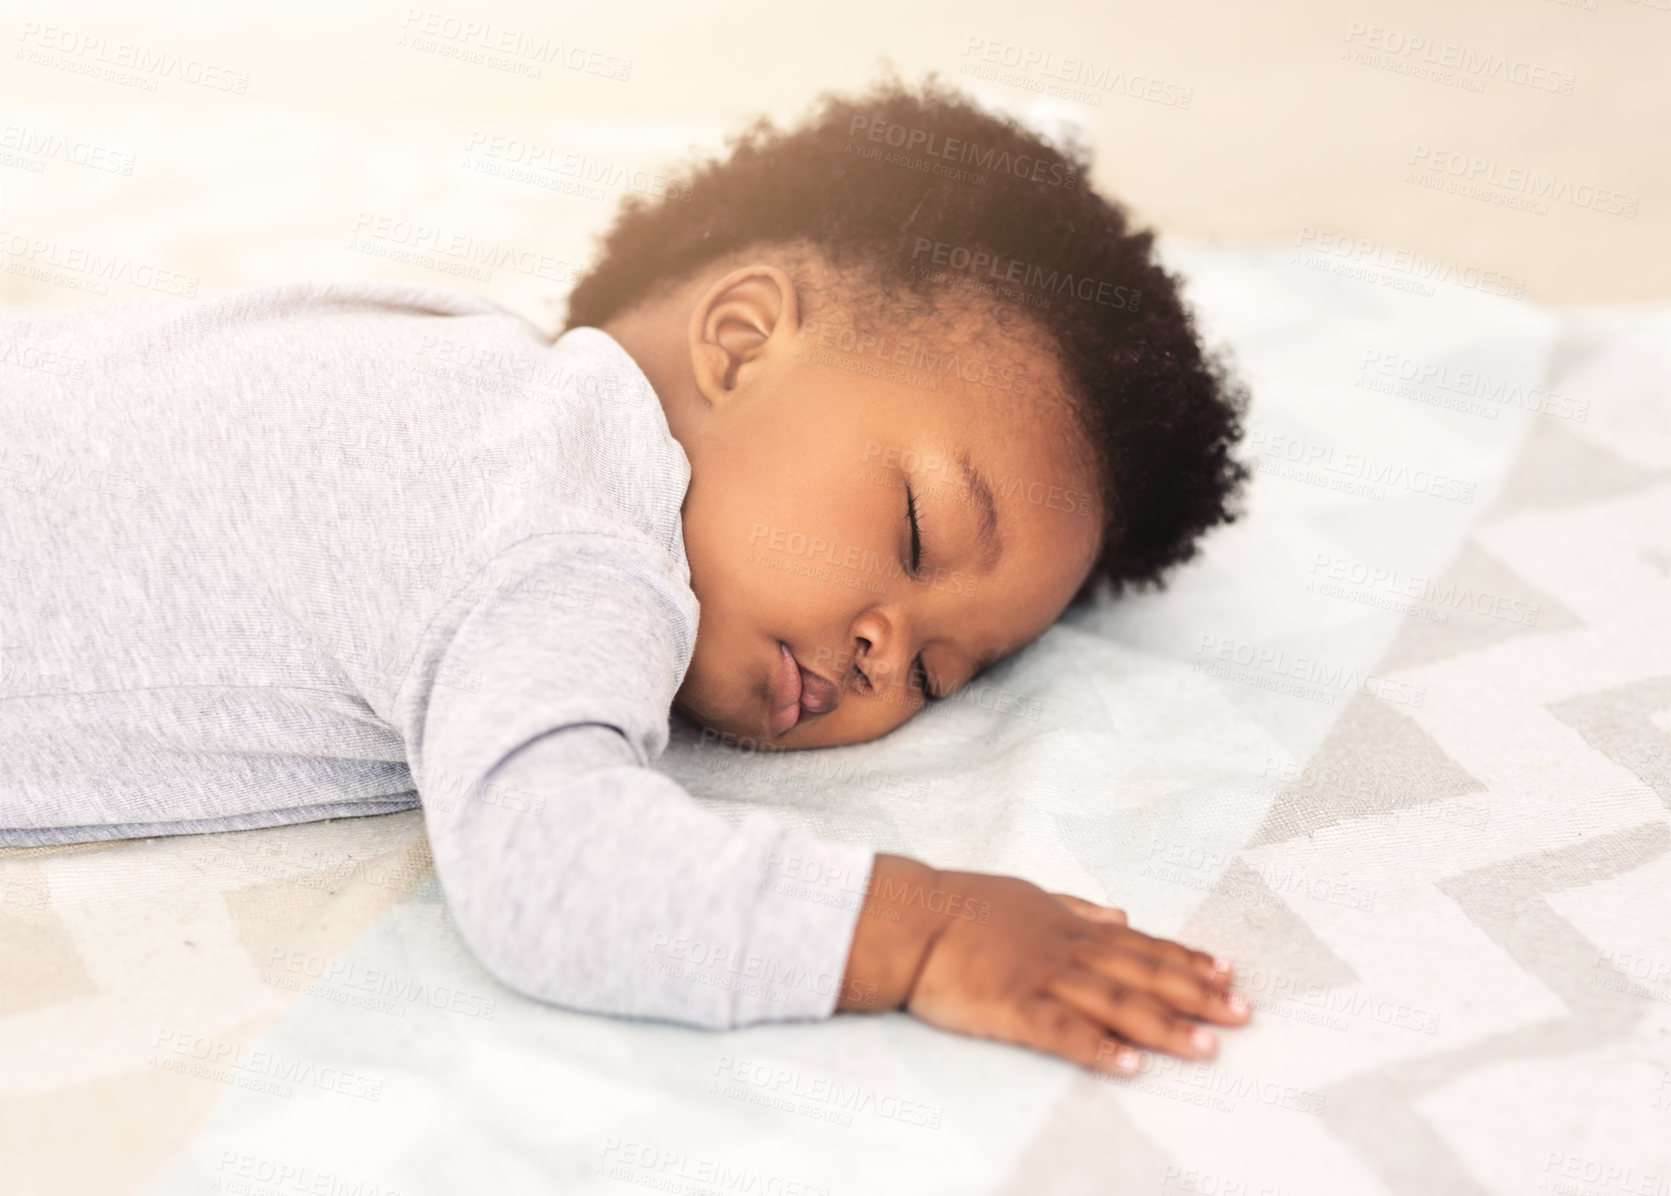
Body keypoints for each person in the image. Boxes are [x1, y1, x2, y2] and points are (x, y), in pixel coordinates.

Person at [0, 73, 1251, 1076]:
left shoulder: (476, 374)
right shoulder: (577, 534)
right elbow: (553, 868)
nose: (884, 649)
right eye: (918, 532)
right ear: (744, 337)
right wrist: (920, 926)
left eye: (939, 670)